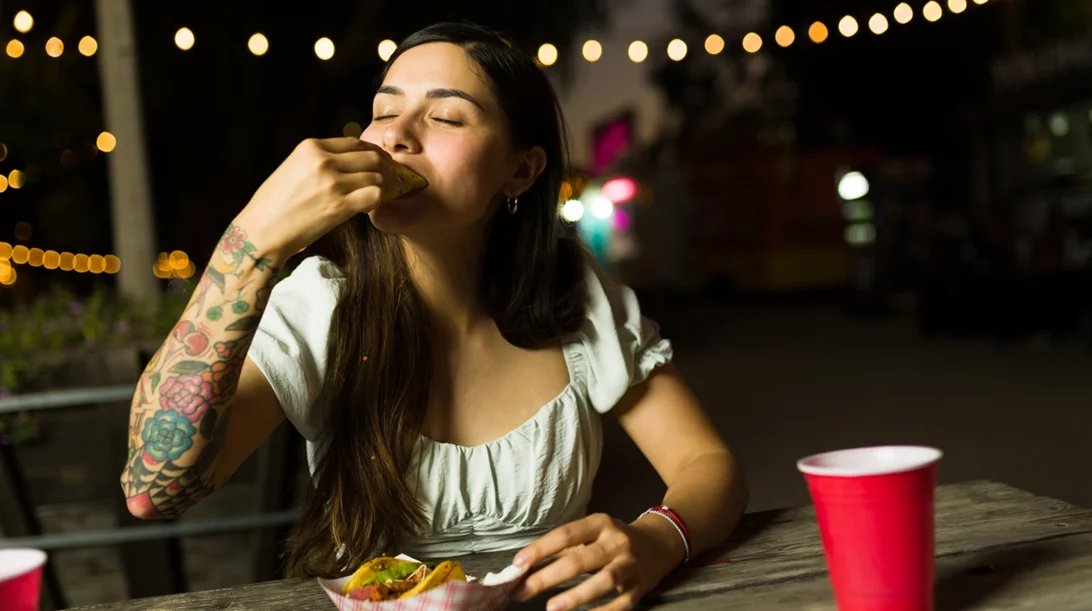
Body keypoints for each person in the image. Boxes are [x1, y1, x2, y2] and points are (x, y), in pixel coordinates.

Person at [121, 22, 747, 611]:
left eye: (445, 115)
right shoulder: (319, 302)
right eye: (384, 112)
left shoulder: (571, 290)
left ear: (521, 171)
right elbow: (153, 491)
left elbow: (706, 466)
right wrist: (248, 249)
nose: (395, 135)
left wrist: (658, 539)